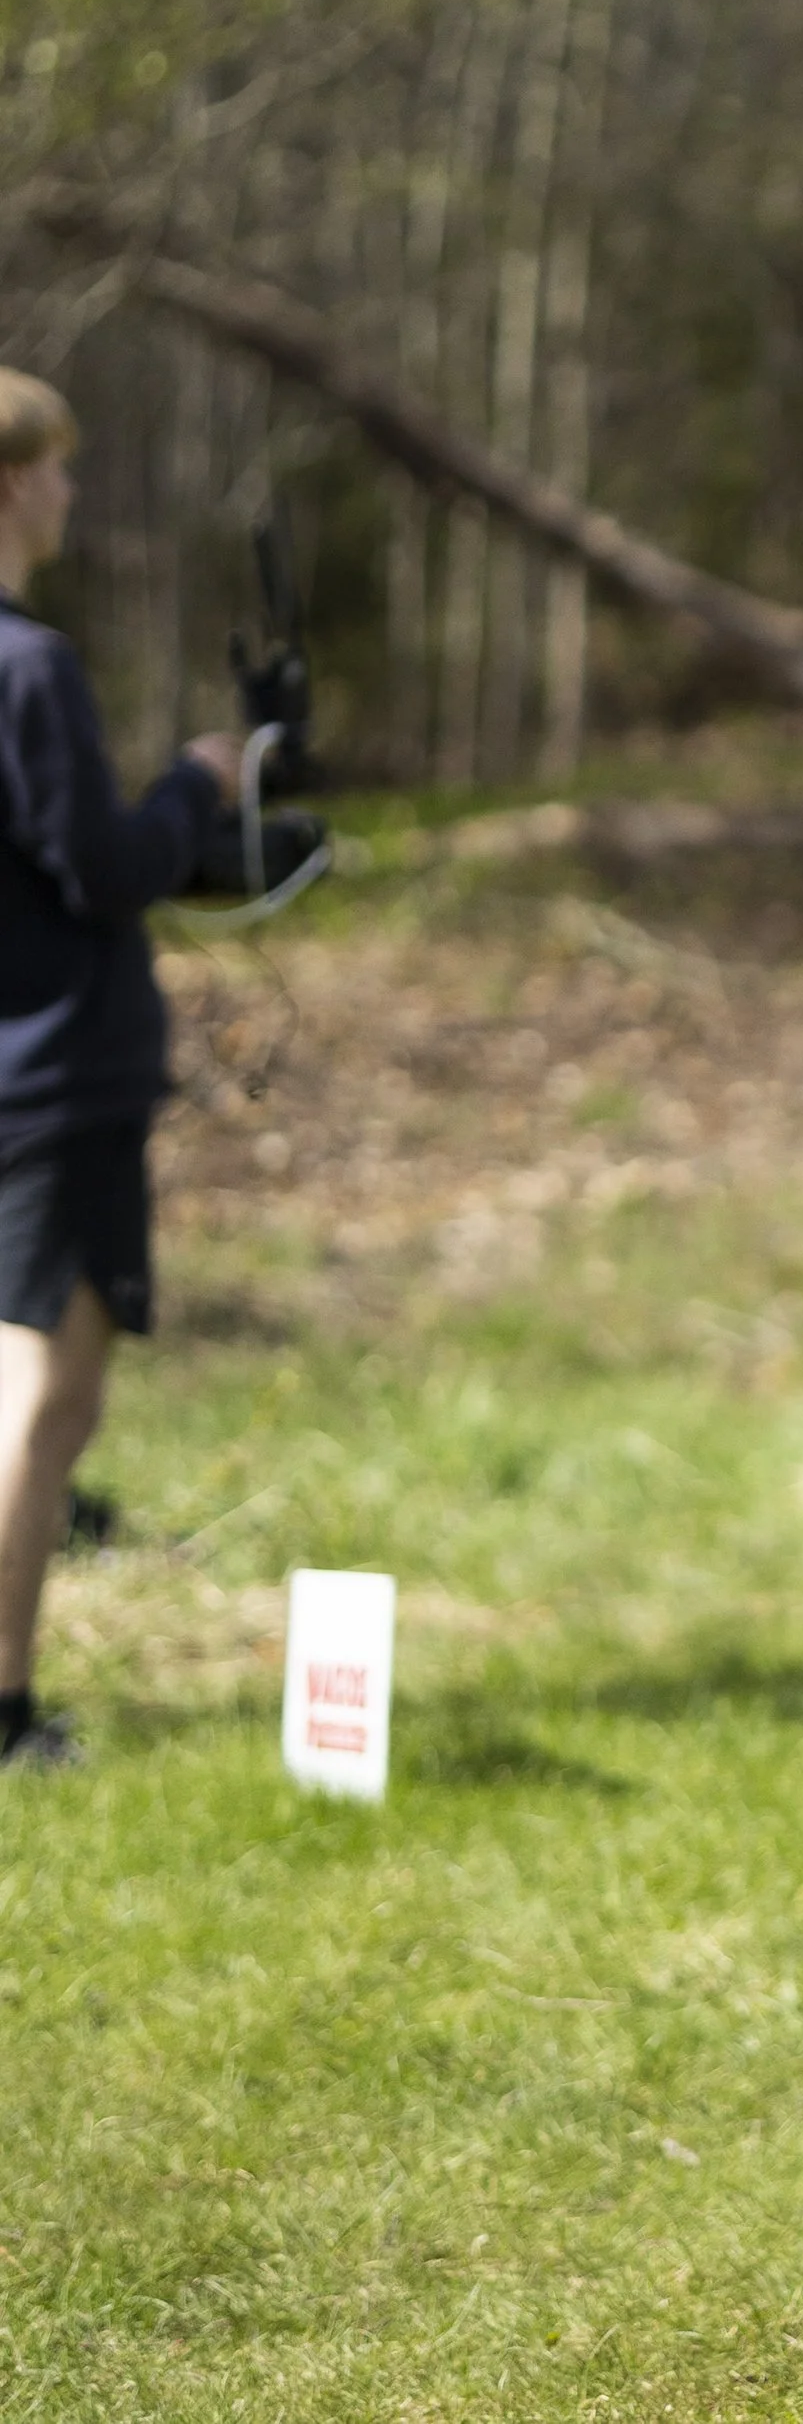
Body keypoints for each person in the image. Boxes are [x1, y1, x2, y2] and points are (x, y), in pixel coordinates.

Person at [0, 371, 241, 1771]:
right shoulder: (28, 669)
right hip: (50, 1083)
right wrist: (195, 789)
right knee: (47, 1400)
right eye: (57, 467)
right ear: (13, 484)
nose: (73, 491)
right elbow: (103, 870)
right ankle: (7, 1713)